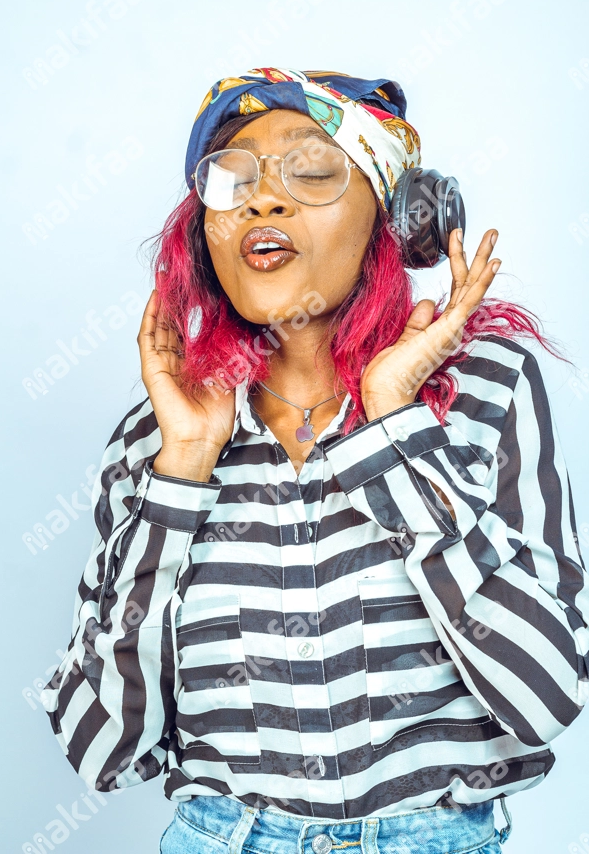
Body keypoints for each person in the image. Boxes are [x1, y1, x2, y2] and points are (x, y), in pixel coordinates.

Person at [40, 68, 589, 854]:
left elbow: (544, 697)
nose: (262, 199)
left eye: (312, 168)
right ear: (205, 236)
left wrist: (390, 425)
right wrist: (184, 470)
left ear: (399, 223)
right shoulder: (154, 442)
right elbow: (100, 754)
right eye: (232, 181)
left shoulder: (485, 391)